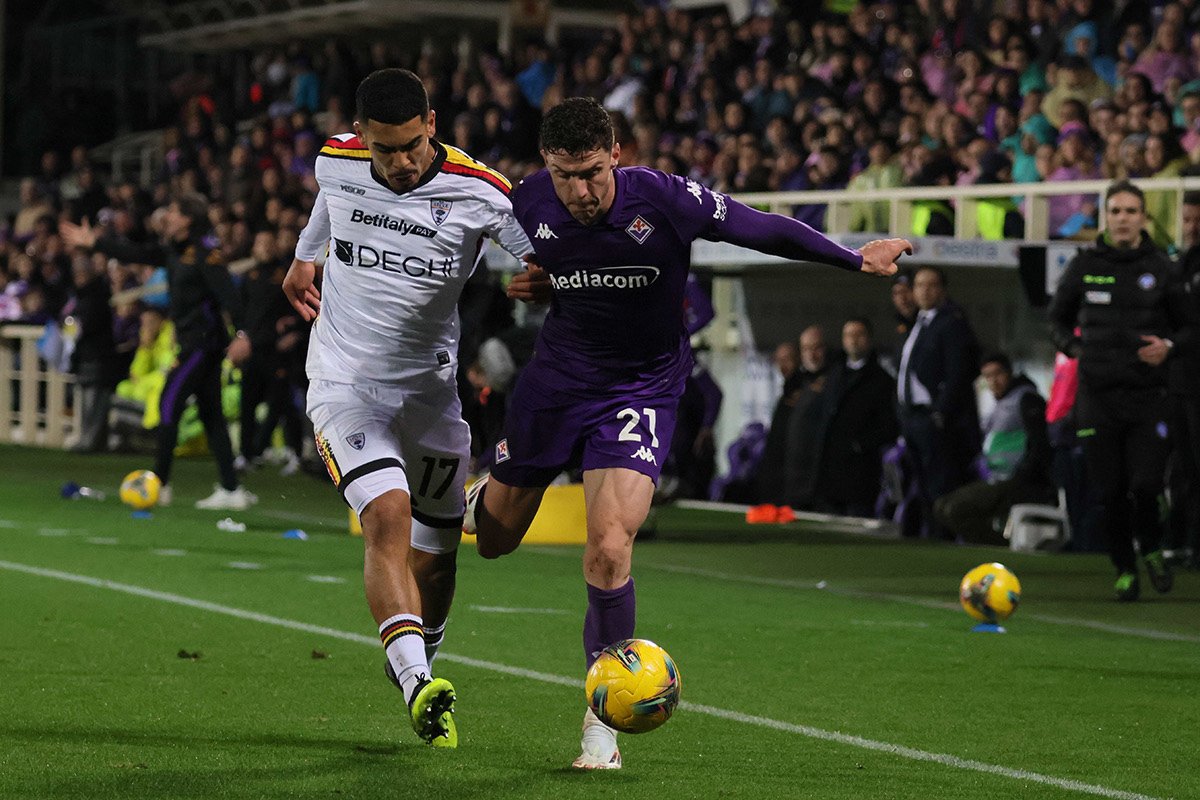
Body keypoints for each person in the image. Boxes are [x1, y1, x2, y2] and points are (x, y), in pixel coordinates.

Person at [462, 97, 910, 769]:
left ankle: (602, 721)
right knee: (495, 542)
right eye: (565, 176)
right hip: (555, 383)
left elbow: (761, 228)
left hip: (639, 388)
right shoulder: (525, 201)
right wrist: (546, 286)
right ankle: (478, 497)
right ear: (546, 167)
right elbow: (501, 259)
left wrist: (853, 259)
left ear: (616, 156)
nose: (580, 192)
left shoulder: (665, 199)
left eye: (592, 173)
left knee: (609, 547)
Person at [281, 68, 537, 747]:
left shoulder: (481, 192)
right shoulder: (336, 159)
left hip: (429, 396)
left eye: (411, 146)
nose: (399, 162)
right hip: (344, 384)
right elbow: (329, 199)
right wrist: (304, 258)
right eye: (384, 149)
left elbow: (542, 255)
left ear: (432, 125)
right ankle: (418, 681)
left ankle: (423, 656)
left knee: (438, 557)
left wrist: (544, 277)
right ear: (360, 135)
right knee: (387, 514)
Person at [1049, 180, 1199, 601]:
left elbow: (1191, 327)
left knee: (1146, 486)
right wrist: (1075, 349)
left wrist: (1169, 347)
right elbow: (1056, 320)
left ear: (1143, 218)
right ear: (1105, 217)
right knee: (1109, 491)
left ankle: (1151, 545)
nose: (1123, 219)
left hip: (1149, 398)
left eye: (1131, 211)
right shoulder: (1083, 265)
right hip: (1097, 398)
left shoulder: (1164, 268)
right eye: (1115, 211)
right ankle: (1125, 567)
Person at [61, 193, 255, 510]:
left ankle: (160, 484)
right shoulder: (174, 251)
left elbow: (229, 295)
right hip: (193, 344)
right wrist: (95, 242)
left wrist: (244, 334)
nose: (167, 217)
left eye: (174, 212)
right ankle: (231, 489)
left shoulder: (205, 253)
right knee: (211, 415)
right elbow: (136, 253)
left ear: (187, 219)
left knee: (168, 403)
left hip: (202, 344)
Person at [933, 352, 1056, 544]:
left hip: (1020, 482)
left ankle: (1001, 547)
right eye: (988, 376)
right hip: (997, 478)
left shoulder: (1026, 399)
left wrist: (1022, 475)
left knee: (955, 510)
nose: (993, 381)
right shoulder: (1001, 403)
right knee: (941, 505)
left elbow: (1040, 444)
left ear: (1010, 373)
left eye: (998, 374)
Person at [895, 266, 981, 538]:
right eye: (920, 285)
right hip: (912, 418)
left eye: (931, 285)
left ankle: (943, 538)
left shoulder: (952, 323)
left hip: (934, 420)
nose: (925, 291)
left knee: (941, 486)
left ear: (943, 290)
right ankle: (930, 535)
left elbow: (959, 372)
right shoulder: (918, 323)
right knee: (922, 486)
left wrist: (940, 412)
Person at [814, 318, 898, 516]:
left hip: (861, 475)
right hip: (830, 475)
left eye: (858, 335)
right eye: (848, 335)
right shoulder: (833, 375)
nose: (853, 340)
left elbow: (889, 425)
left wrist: (860, 444)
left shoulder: (882, 381)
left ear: (869, 339)